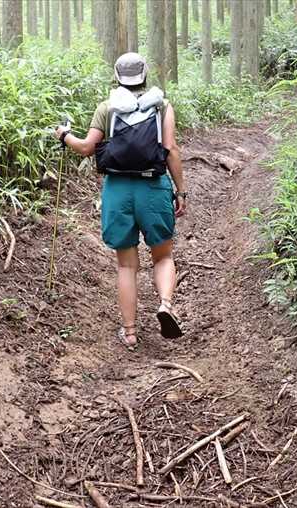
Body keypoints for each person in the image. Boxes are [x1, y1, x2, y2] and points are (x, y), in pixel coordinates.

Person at [53, 52, 187, 349]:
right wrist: (180, 190)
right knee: (163, 256)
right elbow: (171, 149)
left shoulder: (107, 107)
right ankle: (165, 304)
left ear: (117, 76)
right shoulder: (162, 106)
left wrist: (64, 135)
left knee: (126, 266)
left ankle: (130, 332)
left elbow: (87, 148)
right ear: (145, 75)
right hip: (153, 187)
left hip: (117, 191)